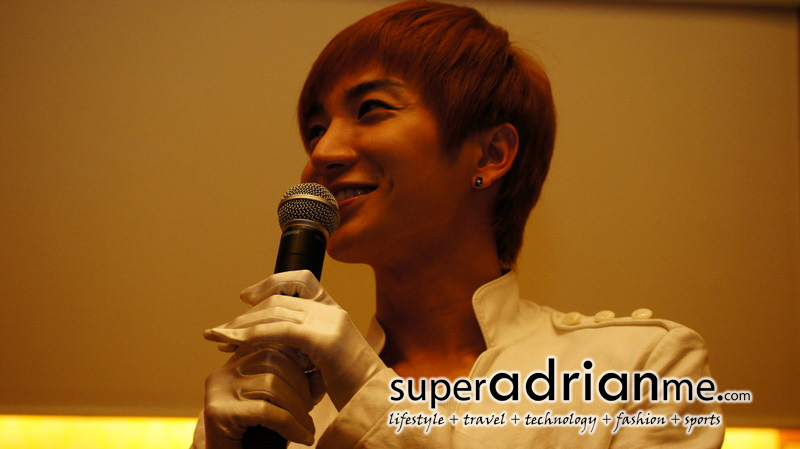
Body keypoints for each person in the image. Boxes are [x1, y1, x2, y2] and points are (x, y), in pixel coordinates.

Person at [192, 1, 724, 448]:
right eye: (315, 128)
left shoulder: (638, 370)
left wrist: (368, 390)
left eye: (371, 109)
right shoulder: (279, 398)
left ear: (490, 153)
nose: (323, 152)